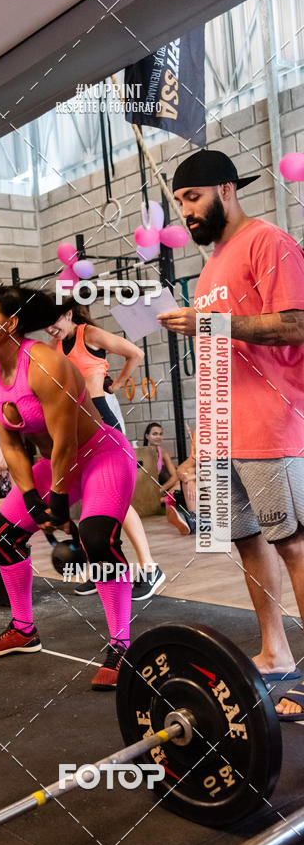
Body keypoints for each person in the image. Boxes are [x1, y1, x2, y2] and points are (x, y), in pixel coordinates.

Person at [158, 149, 304, 719]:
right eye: (179, 205)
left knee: (293, 543)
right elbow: (218, 347)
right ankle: (276, 650)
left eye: (192, 199)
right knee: (245, 540)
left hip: (273, 423)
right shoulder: (213, 262)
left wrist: (211, 322)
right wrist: (201, 431)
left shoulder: (269, 243)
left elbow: (296, 322)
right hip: (223, 428)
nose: (186, 213)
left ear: (226, 189)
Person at [0, 282, 137, 690]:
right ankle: (24, 630)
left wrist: (59, 507)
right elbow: (10, 444)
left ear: (10, 324)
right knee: (3, 533)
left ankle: (121, 646)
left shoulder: (45, 364)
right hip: (56, 462)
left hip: (101, 453)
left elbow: (65, 442)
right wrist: (31, 499)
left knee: (97, 538)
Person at [45, 300, 165, 600]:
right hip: (75, 424)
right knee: (93, 501)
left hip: (101, 416)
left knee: (116, 501)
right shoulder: (55, 345)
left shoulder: (91, 335)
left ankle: (150, 568)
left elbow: (135, 353)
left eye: (54, 321)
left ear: (69, 314)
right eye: (46, 324)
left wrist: (117, 384)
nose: (51, 328)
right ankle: (103, 569)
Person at [143, 422, 176, 490]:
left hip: (161, 490)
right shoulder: (141, 454)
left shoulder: (164, 454)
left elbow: (175, 476)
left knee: (178, 484)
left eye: (160, 434)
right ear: (147, 436)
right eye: (155, 434)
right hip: (147, 491)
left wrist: (161, 490)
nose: (158, 437)